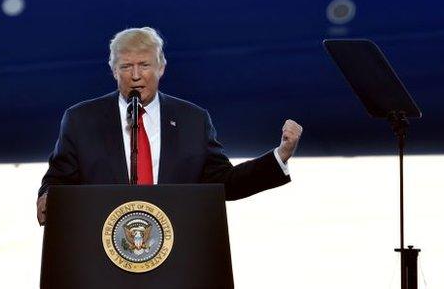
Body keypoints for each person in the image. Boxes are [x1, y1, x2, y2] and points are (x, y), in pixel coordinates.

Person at [36, 27, 303, 225]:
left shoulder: (193, 120)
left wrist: (279, 156)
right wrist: (48, 196)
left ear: (161, 67)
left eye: (145, 65)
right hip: (100, 251)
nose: (136, 75)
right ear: (113, 70)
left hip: (176, 250)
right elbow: (58, 179)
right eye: (126, 66)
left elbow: (224, 183)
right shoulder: (82, 119)